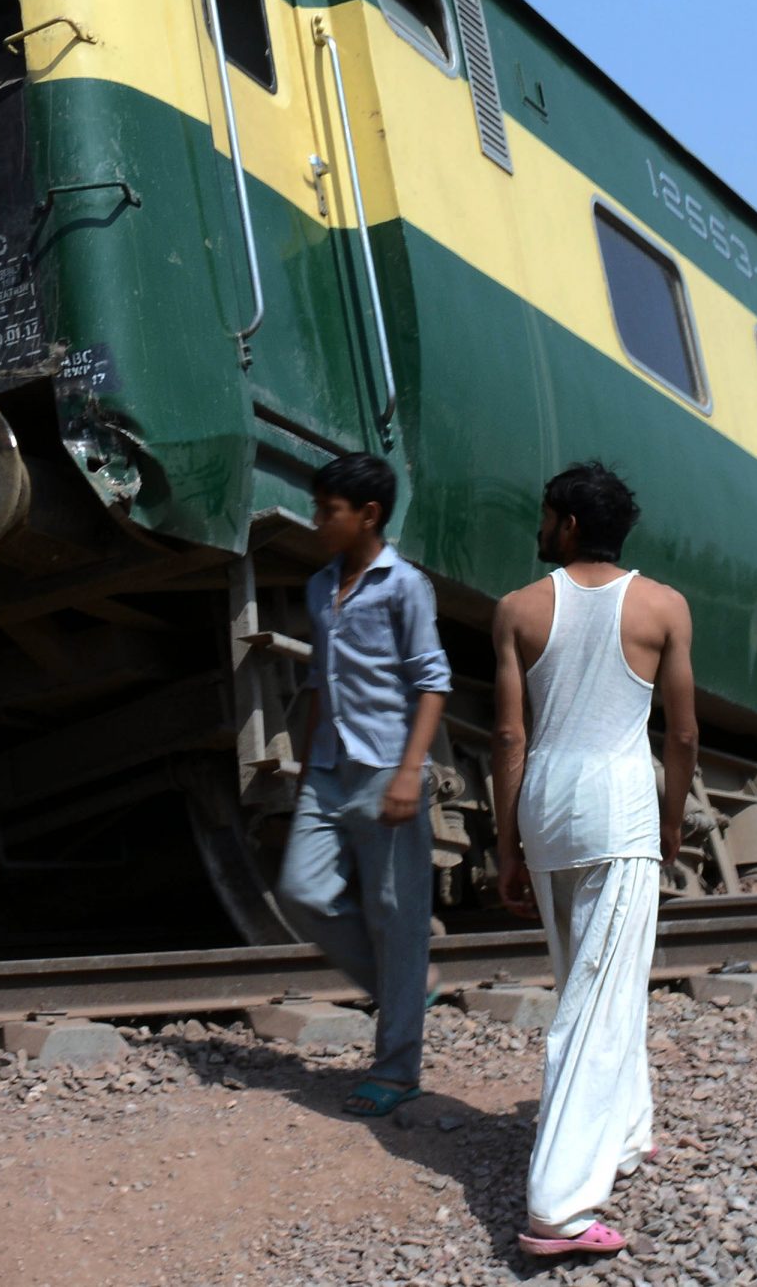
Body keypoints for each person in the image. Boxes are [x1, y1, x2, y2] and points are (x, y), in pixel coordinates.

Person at [490, 462, 699, 1261]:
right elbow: (680, 734)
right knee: (599, 1001)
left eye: (546, 516)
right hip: (619, 806)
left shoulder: (518, 609)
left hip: (547, 803)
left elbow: (510, 737)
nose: (540, 528)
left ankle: (626, 1133)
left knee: (594, 977)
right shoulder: (662, 606)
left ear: (569, 524)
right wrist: (674, 818)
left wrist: (508, 844)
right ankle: (561, 1207)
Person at [276, 452, 454, 1116]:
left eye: (330, 511)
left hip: (387, 767)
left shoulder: (405, 585)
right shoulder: (322, 587)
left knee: (396, 917)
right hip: (328, 767)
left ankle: (397, 1067)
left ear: (369, 515)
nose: (319, 521)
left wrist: (411, 772)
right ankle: (404, 986)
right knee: (299, 889)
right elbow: (322, 681)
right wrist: (305, 767)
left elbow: (432, 682)